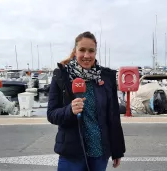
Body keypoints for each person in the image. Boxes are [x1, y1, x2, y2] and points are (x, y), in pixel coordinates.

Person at [47, 31, 126, 171]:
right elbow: (52, 114)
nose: (86, 55)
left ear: (96, 52)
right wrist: (69, 110)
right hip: (71, 153)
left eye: (91, 51)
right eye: (82, 50)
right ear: (75, 51)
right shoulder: (61, 76)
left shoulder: (106, 77)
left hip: (100, 152)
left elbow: (113, 116)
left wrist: (117, 149)